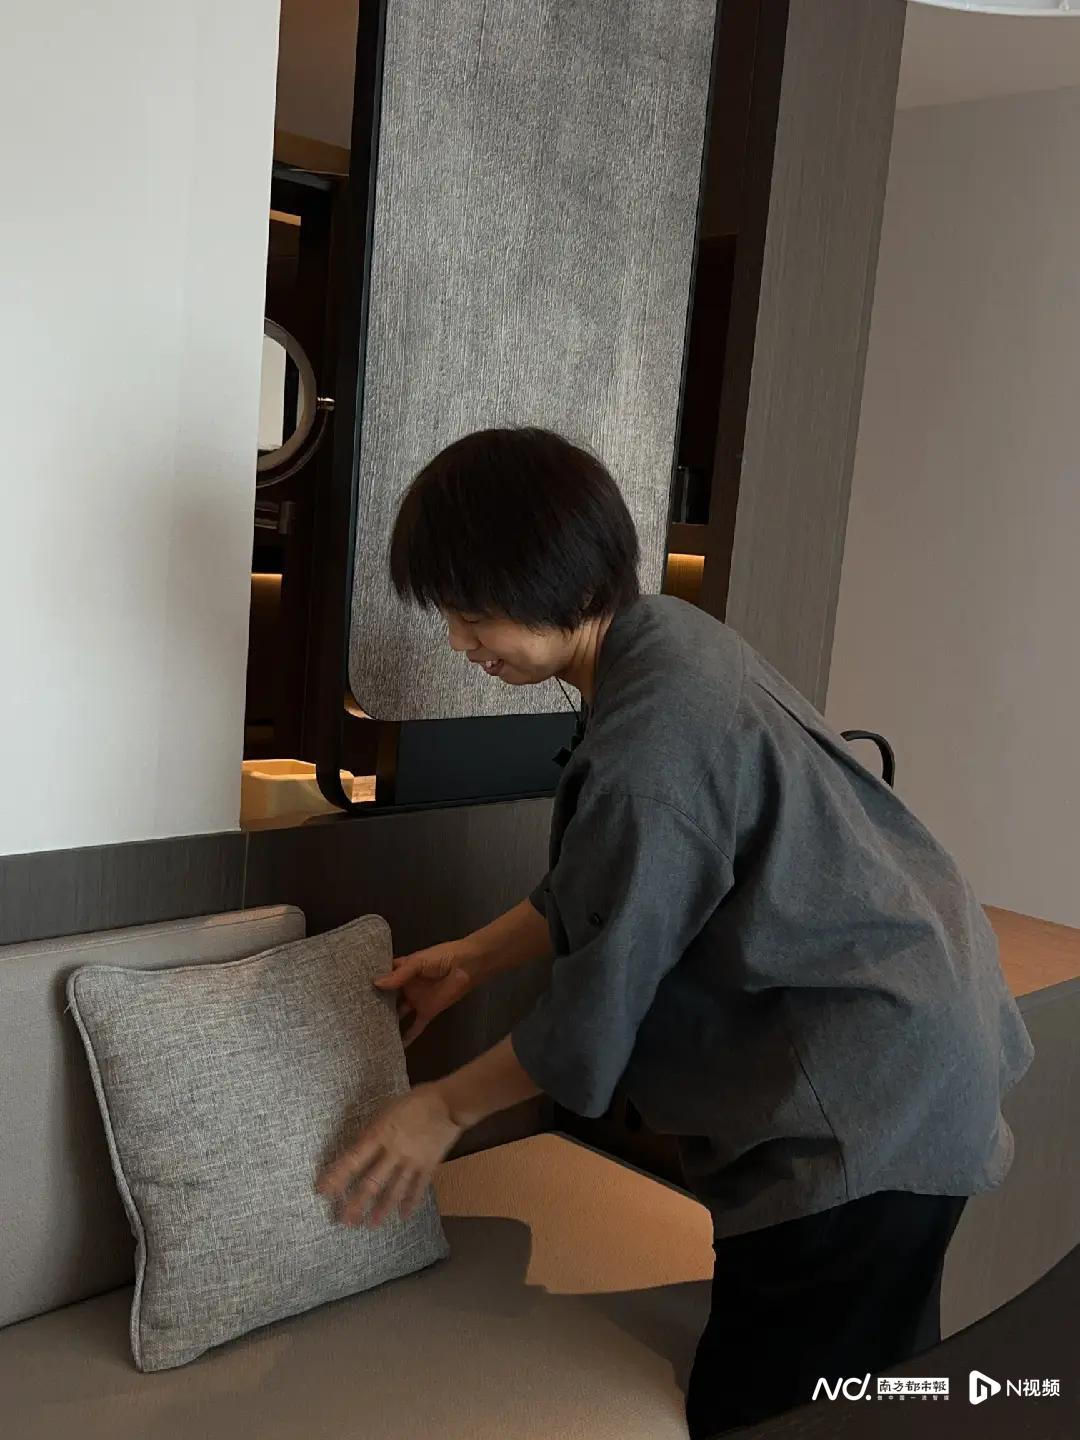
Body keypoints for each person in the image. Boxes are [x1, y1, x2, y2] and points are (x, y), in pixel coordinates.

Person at [317, 426, 1034, 1437]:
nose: (461, 645)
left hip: (866, 1098)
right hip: (920, 1041)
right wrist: (473, 958)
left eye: (475, 616)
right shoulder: (666, 640)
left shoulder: (652, 741)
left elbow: (593, 1014)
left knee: (763, 1405)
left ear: (570, 587)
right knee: (878, 1365)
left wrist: (439, 1109)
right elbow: (616, 886)